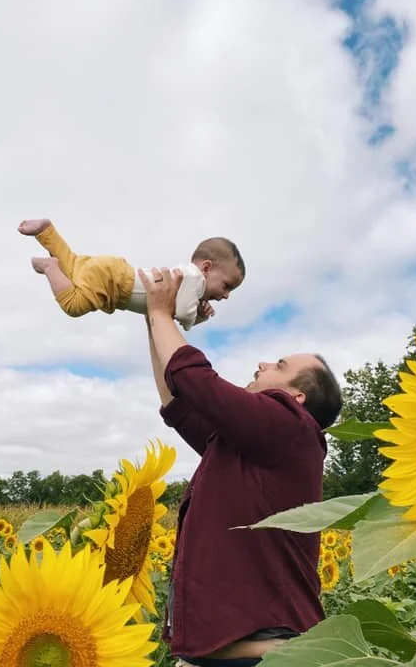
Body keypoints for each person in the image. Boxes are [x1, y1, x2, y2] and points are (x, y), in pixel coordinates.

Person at [140, 267, 343, 666]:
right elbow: (177, 402)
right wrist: (153, 316)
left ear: (297, 396)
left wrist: (164, 316)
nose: (263, 363)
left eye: (279, 365)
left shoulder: (292, 427)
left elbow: (199, 382)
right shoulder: (247, 447)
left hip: (264, 655)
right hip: (224, 655)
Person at [18, 219, 245, 330]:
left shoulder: (186, 281)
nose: (226, 295)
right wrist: (199, 317)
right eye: (227, 286)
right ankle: (50, 267)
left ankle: (46, 232)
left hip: (113, 272)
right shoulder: (194, 278)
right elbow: (183, 315)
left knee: (72, 264)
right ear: (206, 267)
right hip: (116, 282)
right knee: (74, 304)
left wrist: (198, 313)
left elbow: (178, 311)